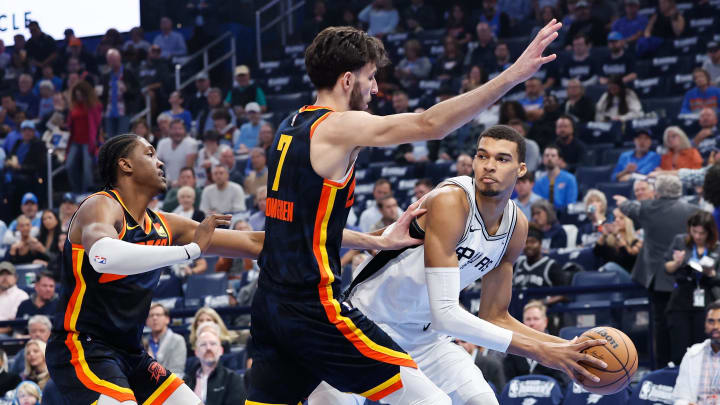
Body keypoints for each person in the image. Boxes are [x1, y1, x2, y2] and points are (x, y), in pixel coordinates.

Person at [250, 21, 569, 405]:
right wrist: (513, 76)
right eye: (371, 77)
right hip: (316, 308)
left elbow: (297, 228)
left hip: (270, 304)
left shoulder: (290, 124)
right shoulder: (336, 126)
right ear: (348, 80)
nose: (376, 88)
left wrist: (371, 239)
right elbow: (430, 124)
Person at [308, 127, 606, 405]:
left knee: (483, 400)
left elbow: (495, 316)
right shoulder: (452, 200)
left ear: (521, 170)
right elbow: (447, 314)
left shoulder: (517, 227)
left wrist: (566, 348)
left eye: (502, 159)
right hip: (368, 326)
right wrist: (545, 352)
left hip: (427, 338)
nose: (489, 165)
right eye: (482, 156)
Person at [44, 134, 266, 404]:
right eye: (149, 154)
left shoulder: (164, 225)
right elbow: (103, 256)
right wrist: (189, 252)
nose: (160, 162)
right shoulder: (100, 205)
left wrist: (320, 233)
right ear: (125, 164)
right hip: (81, 346)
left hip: (130, 352)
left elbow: (253, 243)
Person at [615, 174, 700, 369]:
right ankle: (687, 366)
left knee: (661, 325)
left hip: (658, 279)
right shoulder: (693, 210)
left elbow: (629, 208)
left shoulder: (648, 208)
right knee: (685, 323)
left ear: (658, 192)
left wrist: (623, 202)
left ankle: (662, 367)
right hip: (685, 275)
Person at [664, 211, 720, 365]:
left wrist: (712, 273)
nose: (697, 236)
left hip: (706, 301)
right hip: (681, 300)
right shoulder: (680, 241)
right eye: (694, 231)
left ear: (709, 232)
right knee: (680, 349)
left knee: (703, 348)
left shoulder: (717, 248)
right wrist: (677, 262)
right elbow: (667, 268)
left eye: (701, 233)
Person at [503, 301, 569, 388]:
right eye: (528, 319)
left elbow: (563, 384)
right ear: (523, 323)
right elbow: (508, 384)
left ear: (545, 322)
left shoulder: (557, 348)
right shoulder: (514, 349)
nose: (531, 323)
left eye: (536, 319)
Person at [671, 300, 720, 405]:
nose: (716, 326)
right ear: (705, 324)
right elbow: (680, 398)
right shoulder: (692, 355)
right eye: (711, 321)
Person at [184, 323, 246, 404]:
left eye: (213, 344)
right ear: (196, 352)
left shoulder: (233, 379)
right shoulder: (186, 381)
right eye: (203, 345)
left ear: (221, 350)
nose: (208, 348)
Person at [66, 80, 102, 194]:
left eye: (81, 94)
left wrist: (97, 141)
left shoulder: (95, 106)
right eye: (77, 94)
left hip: (88, 142)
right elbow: (70, 123)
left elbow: (97, 124)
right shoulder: (73, 106)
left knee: (87, 169)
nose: (79, 96)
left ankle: (87, 192)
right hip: (75, 141)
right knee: (69, 165)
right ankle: (76, 190)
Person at [513, 226, 567, 292]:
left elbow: (564, 294)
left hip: (539, 301)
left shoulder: (551, 266)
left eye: (533, 242)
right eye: (526, 242)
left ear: (540, 244)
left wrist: (543, 302)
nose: (529, 245)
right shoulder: (517, 264)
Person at [101, 49, 139, 138]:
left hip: (124, 111)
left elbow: (137, 90)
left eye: (114, 60)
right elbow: (103, 93)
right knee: (110, 140)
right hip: (109, 111)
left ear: (119, 59)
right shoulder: (106, 75)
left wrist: (127, 90)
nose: (112, 62)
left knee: (121, 139)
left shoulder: (128, 73)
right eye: (110, 60)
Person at [146, 303, 187, 378]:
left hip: (169, 386)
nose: (154, 318)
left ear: (167, 319)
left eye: (158, 315)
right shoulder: (142, 342)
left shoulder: (177, 340)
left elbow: (177, 371)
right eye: (151, 315)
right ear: (146, 321)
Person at [156, 119, 198, 186]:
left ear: (185, 131)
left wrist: (178, 183)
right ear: (169, 130)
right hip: (166, 184)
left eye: (180, 128)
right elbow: (156, 164)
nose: (177, 132)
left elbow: (189, 169)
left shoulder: (191, 144)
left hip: (186, 184)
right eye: (174, 129)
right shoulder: (162, 143)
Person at [0, 261, 29, 336]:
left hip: (7, 334)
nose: (5, 277)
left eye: (8, 274)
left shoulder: (21, 295)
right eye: (1, 274)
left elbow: (12, 325)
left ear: (15, 278)